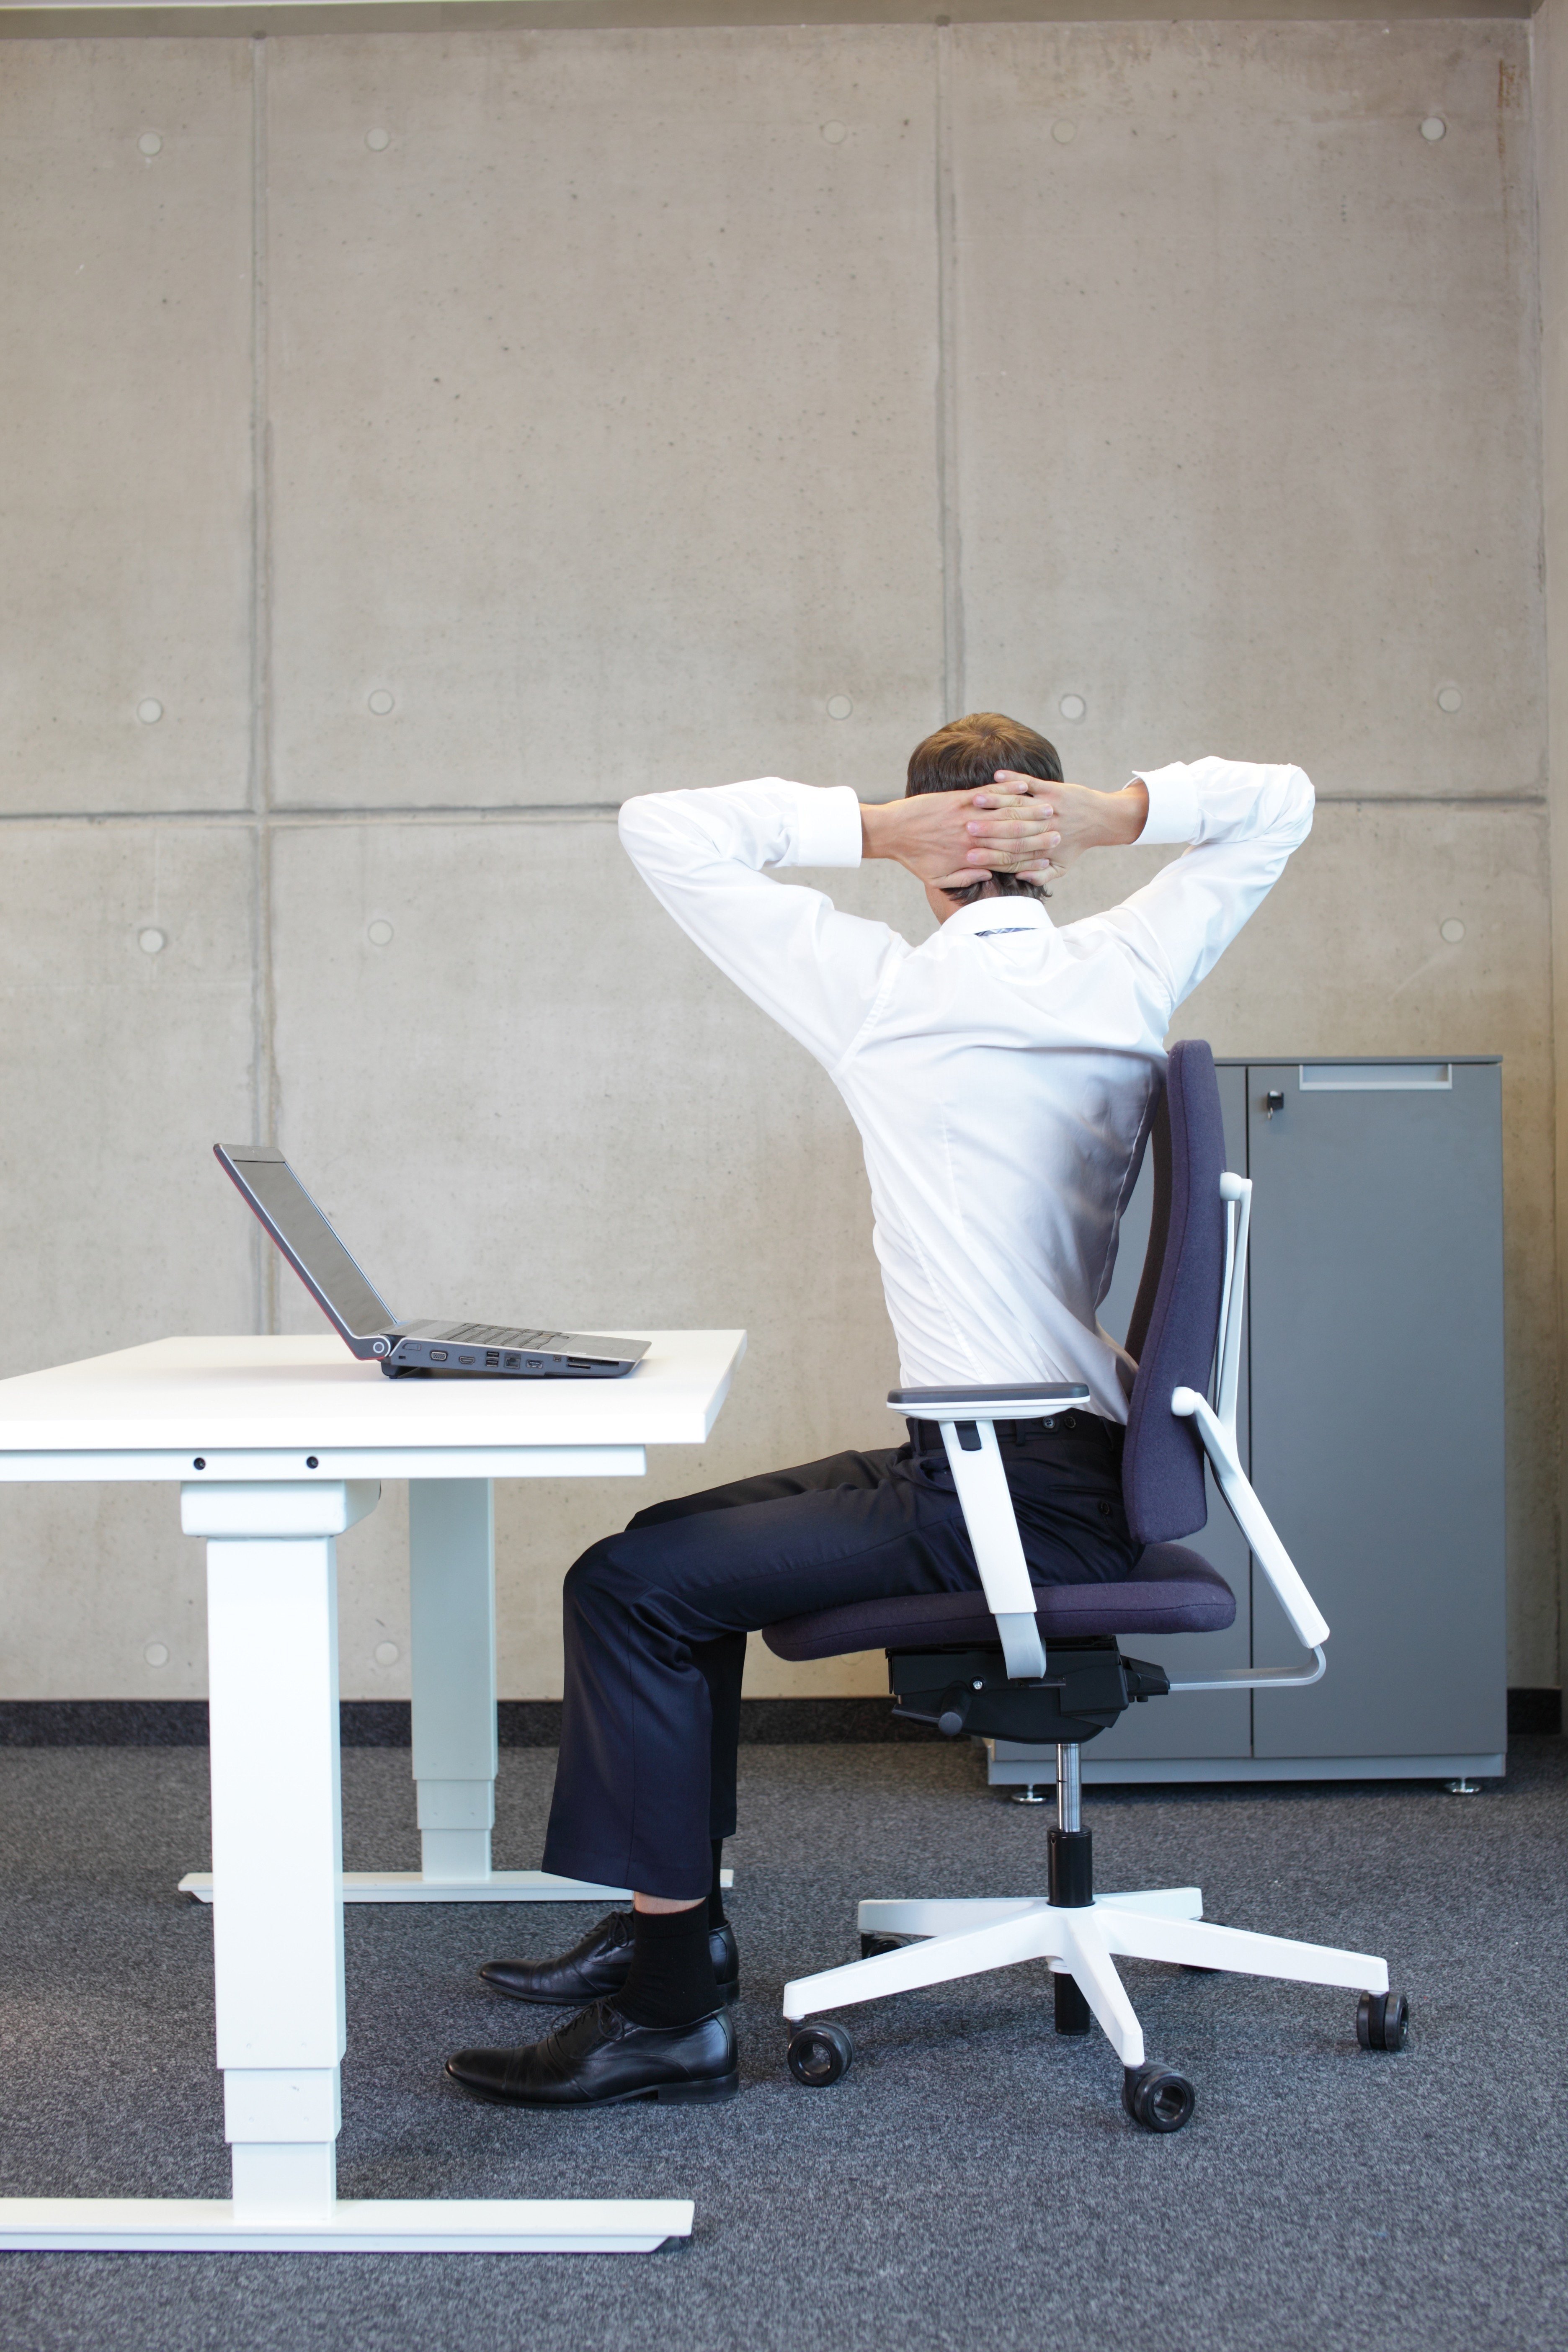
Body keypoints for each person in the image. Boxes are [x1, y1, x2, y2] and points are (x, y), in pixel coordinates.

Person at [445, 714, 1313, 2110]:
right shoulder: (1132, 959)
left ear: (926, 860)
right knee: (671, 1537)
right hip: (1059, 1467)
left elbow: (661, 825)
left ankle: (672, 2010)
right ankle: (672, 1917)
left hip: (1000, 1495)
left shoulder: (880, 991)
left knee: (629, 1586)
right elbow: (1282, 796)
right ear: (1049, 849)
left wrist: (862, 829)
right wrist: (1112, 811)